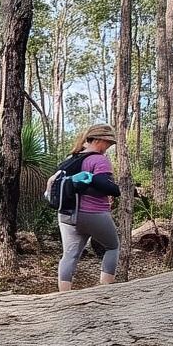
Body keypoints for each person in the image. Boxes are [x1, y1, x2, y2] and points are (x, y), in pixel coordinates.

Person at [52, 124, 122, 292]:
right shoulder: (99, 160)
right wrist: (117, 189)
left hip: (67, 215)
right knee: (112, 246)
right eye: (108, 143)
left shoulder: (69, 160)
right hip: (93, 212)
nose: (108, 148)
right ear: (99, 140)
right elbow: (104, 185)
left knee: (69, 255)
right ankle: (106, 291)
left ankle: (64, 296)